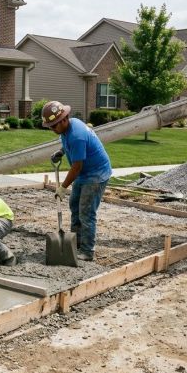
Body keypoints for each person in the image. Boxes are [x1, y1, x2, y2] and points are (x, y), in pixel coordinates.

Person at [41, 100, 111, 261]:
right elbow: (68, 144)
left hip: (96, 175)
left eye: (53, 126)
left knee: (86, 212)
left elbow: (77, 167)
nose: (52, 129)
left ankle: (87, 251)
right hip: (84, 173)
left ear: (64, 119)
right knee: (75, 206)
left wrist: (63, 187)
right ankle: (75, 243)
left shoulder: (77, 136)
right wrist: (61, 151)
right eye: (50, 126)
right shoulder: (68, 129)